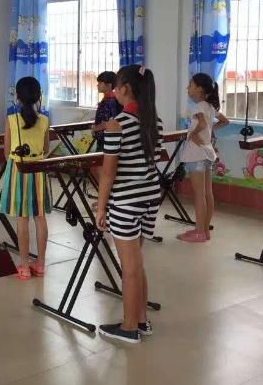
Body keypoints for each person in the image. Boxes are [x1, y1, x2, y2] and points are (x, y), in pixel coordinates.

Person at [96, 64, 163, 344]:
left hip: (126, 199)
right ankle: (142, 320)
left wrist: (101, 207)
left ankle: (128, 326)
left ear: (124, 89)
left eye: (116, 87)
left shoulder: (118, 124)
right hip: (150, 196)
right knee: (137, 262)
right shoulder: (154, 121)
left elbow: (108, 171)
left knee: (130, 267)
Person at [0, 77, 51, 280]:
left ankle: (24, 265)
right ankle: (41, 264)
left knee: (22, 218)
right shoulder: (45, 120)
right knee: (40, 217)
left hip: (18, 168)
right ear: (39, 96)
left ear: (17, 97)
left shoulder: (11, 119)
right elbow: (46, 149)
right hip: (39, 168)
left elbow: (6, 151)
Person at [177, 73, 229, 243]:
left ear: (199, 88)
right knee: (207, 193)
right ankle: (204, 230)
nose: (188, 88)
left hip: (196, 154)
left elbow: (202, 124)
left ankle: (199, 232)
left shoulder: (199, 106)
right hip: (207, 153)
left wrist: (192, 134)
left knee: (199, 195)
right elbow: (225, 121)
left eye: (191, 84)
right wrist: (210, 132)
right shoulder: (210, 106)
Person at [91, 71, 122, 152]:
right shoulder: (107, 99)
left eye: (100, 83)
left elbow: (111, 122)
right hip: (102, 138)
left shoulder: (111, 101)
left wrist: (95, 128)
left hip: (107, 139)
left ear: (109, 85)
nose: (97, 85)